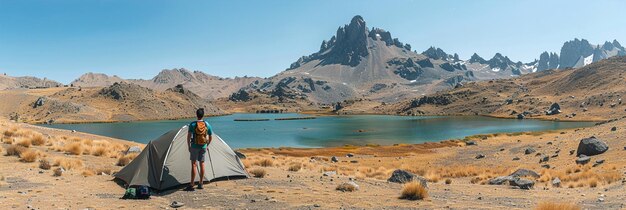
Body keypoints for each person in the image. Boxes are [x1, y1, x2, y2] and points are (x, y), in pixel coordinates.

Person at [185, 108, 213, 191]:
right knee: (202, 164)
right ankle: (201, 183)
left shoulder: (193, 124)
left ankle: (192, 184)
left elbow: (189, 136)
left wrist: (189, 146)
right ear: (203, 115)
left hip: (194, 146)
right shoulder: (207, 124)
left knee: (194, 164)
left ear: (196, 115)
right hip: (203, 146)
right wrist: (207, 145)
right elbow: (211, 136)